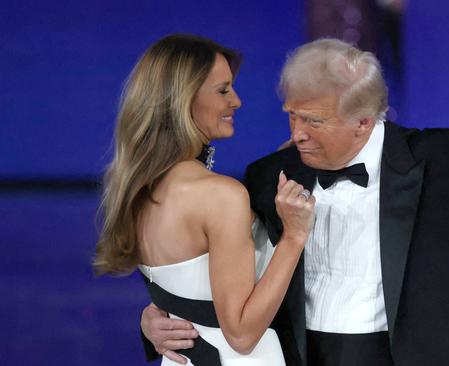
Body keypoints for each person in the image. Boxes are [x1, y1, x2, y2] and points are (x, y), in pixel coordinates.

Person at [141, 38, 449, 365]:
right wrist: (154, 322)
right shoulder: (267, 175)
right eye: (291, 114)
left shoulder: (448, 159)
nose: (297, 134)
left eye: (313, 120)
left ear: (364, 120)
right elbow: (215, 270)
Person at [94, 34, 316, 366]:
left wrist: (150, 319)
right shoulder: (220, 196)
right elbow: (240, 335)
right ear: (184, 99)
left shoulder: (137, 186)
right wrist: (294, 237)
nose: (237, 101)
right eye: (223, 90)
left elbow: (184, 289)